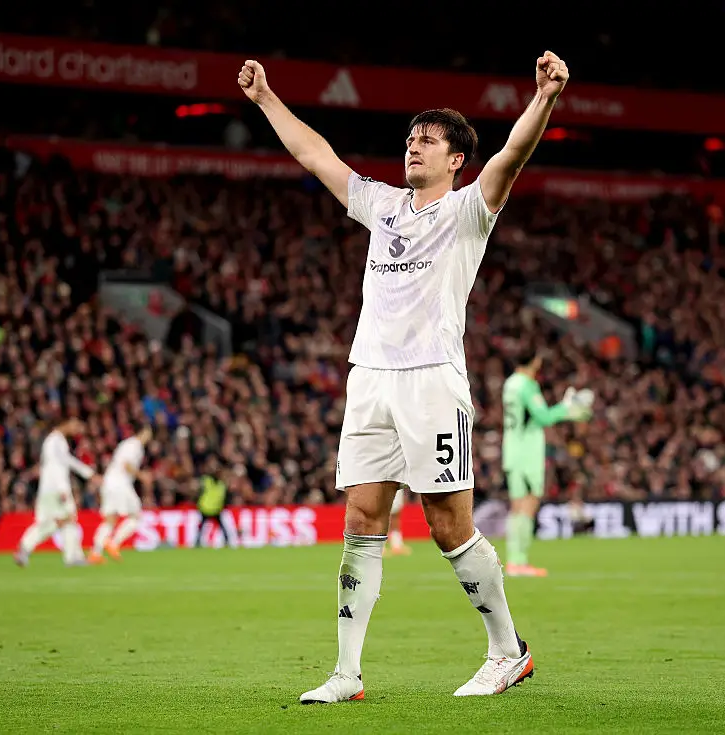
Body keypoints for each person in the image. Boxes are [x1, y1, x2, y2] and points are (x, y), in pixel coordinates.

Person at [238, 48, 571, 702]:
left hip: (432, 383)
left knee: (448, 524)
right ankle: (346, 672)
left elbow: (512, 156)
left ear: (455, 159)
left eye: (428, 140)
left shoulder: (471, 208)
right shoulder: (382, 205)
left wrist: (546, 98)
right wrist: (266, 99)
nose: (413, 147)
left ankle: (509, 651)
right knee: (361, 516)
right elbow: (317, 158)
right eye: (410, 138)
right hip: (371, 379)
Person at [501, 351, 592, 577]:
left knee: (517, 506)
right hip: (527, 452)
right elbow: (543, 418)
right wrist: (567, 409)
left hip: (511, 449)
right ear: (536, 360)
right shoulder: (527, 385)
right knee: (527, 505)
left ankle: (515, 561)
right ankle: (518, 561)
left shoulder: (510, 383)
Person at [14, 418, 98, 567]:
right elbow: (56, 466)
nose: (76, 431)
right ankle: (73, 557)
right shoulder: (55, 441)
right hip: (57, 489)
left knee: (51, 523)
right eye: (76, 426)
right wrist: (63, 489)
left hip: (48, 489)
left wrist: (89, 474)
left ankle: (25, 548)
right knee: (69, 518)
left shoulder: (55, 441)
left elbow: (67, 461)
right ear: (67, 423)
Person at [88, 426, 152, 564]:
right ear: (142, 432)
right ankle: (114, 543)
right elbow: (126, 465)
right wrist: (142, 476)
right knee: (135, 515)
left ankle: (95, 553)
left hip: (109, 482)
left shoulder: (127, 444)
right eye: (148, 433)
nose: (149, 438)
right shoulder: (135, 446)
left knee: (110, 520)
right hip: (120, 484)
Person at [196, 458, 232, 547]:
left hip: (211, 508)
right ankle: (227, 541)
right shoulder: (211, 481)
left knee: (203, 527)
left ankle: (197, 542)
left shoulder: (213, 482)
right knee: (220, 526)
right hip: (208, 508)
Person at [384, 485, 412, 556]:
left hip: (397, 483)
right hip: (381, 482)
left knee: (396, 513)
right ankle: (379, 548)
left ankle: (397, 545)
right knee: (380, 514)